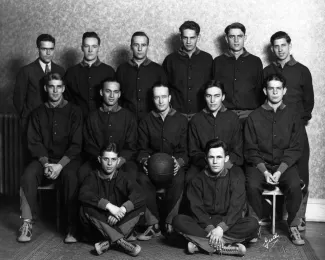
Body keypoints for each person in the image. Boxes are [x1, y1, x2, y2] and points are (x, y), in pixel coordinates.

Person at [17, 73, 83, 243]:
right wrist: (46, 164)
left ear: (63, 88)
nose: (55, 91)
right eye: (51, 87)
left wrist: (59, 166)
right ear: (46, 88)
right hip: (44, 160)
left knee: (71, 177)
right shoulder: (37, 113)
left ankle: (72, 226)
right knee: (28, 175)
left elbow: (76, 144)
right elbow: (34, 142)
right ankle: (26, 223)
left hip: (67, 160)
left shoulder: (75, 111)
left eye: (58, 87)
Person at [245, 74, 304, 245]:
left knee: (294, 185)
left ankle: (293, 226)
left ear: (284, 91)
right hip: (259, 165)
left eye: (278, 88)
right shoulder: (254, 117)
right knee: (251, 185)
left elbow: (295, 148)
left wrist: (280, 171)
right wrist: (264, 171)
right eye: (271, 88)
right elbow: (250, 149)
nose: (275, 92)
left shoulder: (293, 116)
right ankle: (254, 224)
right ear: (265, 90)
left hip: (284, 165)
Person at [173, 139, 259, 256]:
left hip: (228, 223)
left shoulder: (236, 178)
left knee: (253, 223)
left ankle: (202, 246)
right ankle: (225, 247)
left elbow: (236, 208)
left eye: (219, 157)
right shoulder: (196, 180)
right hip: (205, 224)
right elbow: (196, 210)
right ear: (206, 159)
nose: (215, 161)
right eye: (211, 157)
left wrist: (220, 229)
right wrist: (211, 229)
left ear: (226, 159)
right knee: (178, 220)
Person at [264, 31, 314, 231]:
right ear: (272, 49)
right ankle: (270, 216)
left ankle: (299, 217)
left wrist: (296, 123)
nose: (280, 49)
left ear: (289, 46)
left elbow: (308, 103)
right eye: (276, 46)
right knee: (274, 167)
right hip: (273, 130)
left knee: (301, 173)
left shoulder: (302, 70)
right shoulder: (266, 70)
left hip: (297, 130)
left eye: (283, 45)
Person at [136, 83, 188, 240]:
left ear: (169, 98)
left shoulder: (181, 120)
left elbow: (186, 150)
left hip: (174, 166)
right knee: (140, 179)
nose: (160, 101)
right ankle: (153, 224)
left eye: (164, 97)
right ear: (153, 99)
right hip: (152, 167)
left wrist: (179, 162)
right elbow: (141, 149)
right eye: (157, 97)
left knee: (180, 179)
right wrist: (145, 161)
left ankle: (170, 223)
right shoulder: (146, 121)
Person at [79, 143, 145, 257]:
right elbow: (83, 194)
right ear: (99, 159)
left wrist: (122, 210)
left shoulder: (124, 176)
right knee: (85, 208)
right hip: (100, 226)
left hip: (119, 220)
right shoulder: (92, 176)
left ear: (118, 160)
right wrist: (109, 206)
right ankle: (120, 241)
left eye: (113, 159)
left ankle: (109, 242)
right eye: (106, 159)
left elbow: (140, 194)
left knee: (141, 205)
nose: (110, 163)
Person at [80, 79, 137, 184]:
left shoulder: (129, 117)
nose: (112, 95)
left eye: (115, 92)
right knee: (82, 173)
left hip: (122, 161)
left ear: (119, 94)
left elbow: (131, 146)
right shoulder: (91, 117)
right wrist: (104, 162)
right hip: (98, 161)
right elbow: (88, 144)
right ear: (101, 92)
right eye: (108, 91)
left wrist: (118, 162)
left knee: (132, 174)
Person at [187, 80, 243, 184]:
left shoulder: (233, 118)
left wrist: (223, 165)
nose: (212, 100)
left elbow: (237, 150)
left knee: (238, 180)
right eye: (209, 96)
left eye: (217, 96)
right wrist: (209, 165)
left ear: (223, 97)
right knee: (190, 179)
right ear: (205, 97)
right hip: (203, 164)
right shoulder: (196, 120)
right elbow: (193, 152)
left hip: (228, 164)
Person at [212, 22, 264, 124]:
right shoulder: (218, 61)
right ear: (226, 39)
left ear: (245, 38)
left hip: (250, 114)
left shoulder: (255, 61)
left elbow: (260, 90)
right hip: (225, 114)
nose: (236, 40)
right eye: (232, 37)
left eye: (239, 36)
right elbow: (214, 89)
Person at [13, 34, 65, 130]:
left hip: (55, 123)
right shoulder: (26, 71)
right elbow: (18, 98)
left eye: (51, 49)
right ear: (38, 49)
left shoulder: (60, 71)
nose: (48, 52)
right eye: (44, 49)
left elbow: (63, 97)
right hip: (31, 122)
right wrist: (25, 117)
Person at [163, 21, 213, 120]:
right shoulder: (170, 60)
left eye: (192, 38)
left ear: (198, 38)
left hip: (202, 114)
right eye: (185, 38)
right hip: (176, 114)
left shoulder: (207, 59)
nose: (188, 42)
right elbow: (164, 87)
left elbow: (212, 86)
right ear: (180, 38)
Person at [116, 31, 167, 120]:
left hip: (151, 120)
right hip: (127, 120)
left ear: (147, 47)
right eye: (136, 45)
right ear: (131, 46)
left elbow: (164, 97)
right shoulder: (122, 69)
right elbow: (116, 97)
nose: (140, 49)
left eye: (143, 45)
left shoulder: (158, 70)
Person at [65, 32, 115, 118]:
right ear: (82, 48)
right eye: (87, 46)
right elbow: (66, 100)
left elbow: (115, 99)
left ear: (98, 48)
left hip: (103, 120)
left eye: (94, 46)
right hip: (78, 120)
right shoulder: (71, 72)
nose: (90, 50)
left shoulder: (109, 71)